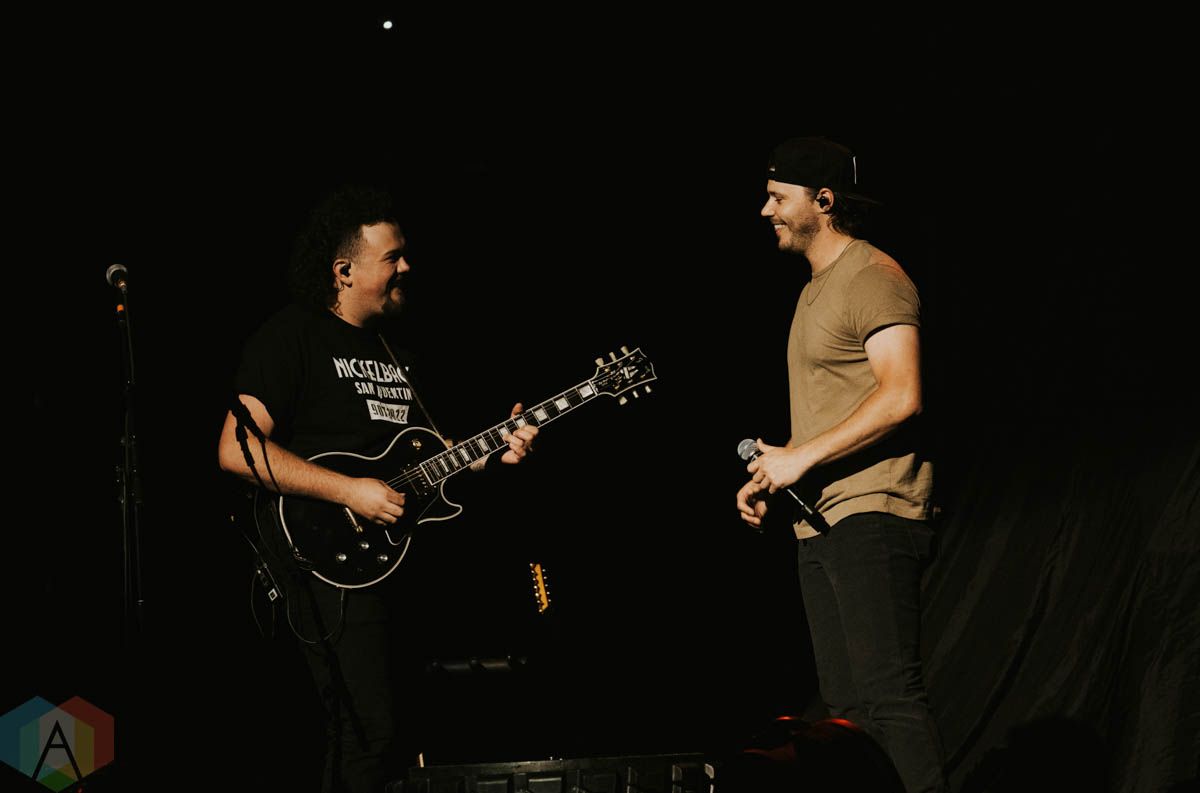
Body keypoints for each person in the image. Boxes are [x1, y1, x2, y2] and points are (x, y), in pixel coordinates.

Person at [216, 183, 538, 793]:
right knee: (365, 732)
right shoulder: (293, 335)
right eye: (392, 257)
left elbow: (431, 463)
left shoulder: (399, 354)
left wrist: (496, 452)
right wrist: (349, 492)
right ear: (344, 271)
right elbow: (237, 450)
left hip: (398, 568)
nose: (407, 267)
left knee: (403, 732)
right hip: (328, 564)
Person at [735, 137, 946, 793]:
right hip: (821, 525)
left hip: (875, 512)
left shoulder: (875, 276)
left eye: (777, 196)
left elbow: (902, 394)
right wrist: (777, 475)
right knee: (848, 713)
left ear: (822, 201)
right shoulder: (811, 294)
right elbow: (833, 417)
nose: (764, 209)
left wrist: (801, 456)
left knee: (886, 699)